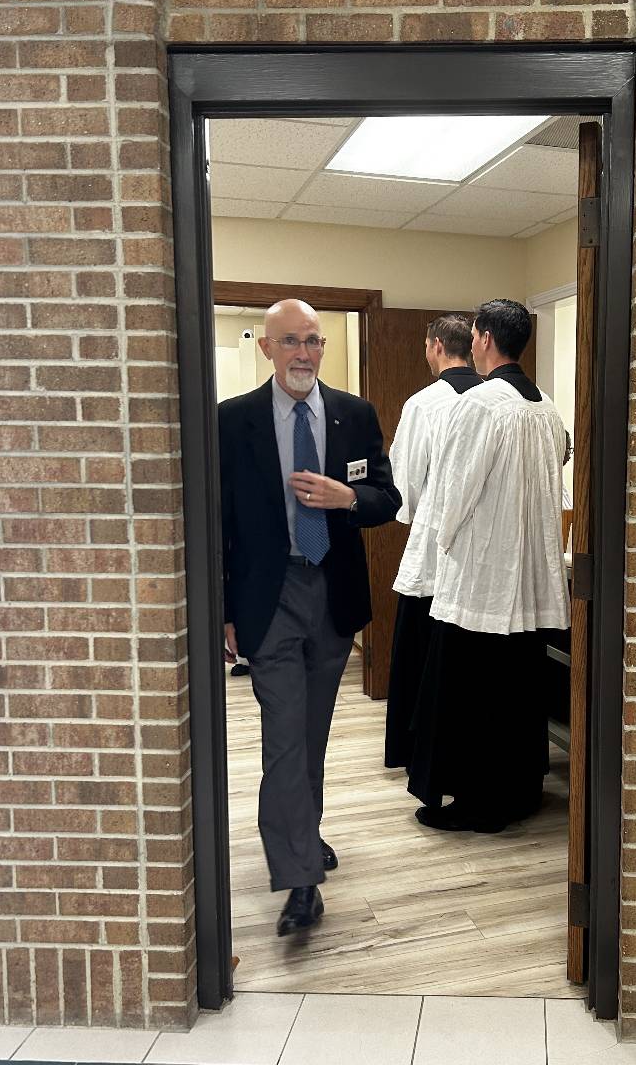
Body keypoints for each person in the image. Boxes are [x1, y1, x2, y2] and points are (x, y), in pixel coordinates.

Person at [218, 299, 401, 935]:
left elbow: (387, 497)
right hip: (268, 598)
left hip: (334, 593)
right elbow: (218, 523)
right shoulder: (232, 421)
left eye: (314, 342)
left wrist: (347, 497)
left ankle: (303, 834)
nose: (304, 353)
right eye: (291, 341)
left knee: (312, 734)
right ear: (267, 349)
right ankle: (299, 880)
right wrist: (222, 609)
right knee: (285, 737)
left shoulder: (354, 414)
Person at [408, 298, 570, 833]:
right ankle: (522, 790)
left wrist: (442, 545)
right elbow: (561, 459)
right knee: (520, 689)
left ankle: (481, 803)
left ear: (481, 338)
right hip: (529, 576)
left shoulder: (480, 404)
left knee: (473, 693)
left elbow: (453, 492)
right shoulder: (546, 404)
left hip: (482, 577)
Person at [385, 313, 483, 771]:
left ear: (438, 346)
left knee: (424, 655)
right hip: (483, 562)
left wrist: (418, 515)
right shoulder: (497, 398)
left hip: (433, 549)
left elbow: (404, 485)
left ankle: (417, 749)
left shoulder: (424, 404)